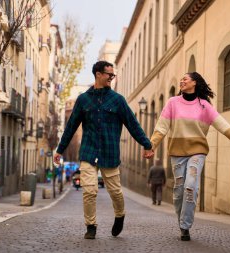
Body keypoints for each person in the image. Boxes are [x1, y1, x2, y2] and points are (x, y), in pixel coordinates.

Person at [53, 61, 154, 240]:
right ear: (98, 74)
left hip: (110, 153)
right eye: (109, 75)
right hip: (88, 152)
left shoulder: (118, 100)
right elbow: (71, 126)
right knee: (89, 190)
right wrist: (60, 150)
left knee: (115, 191)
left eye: (113, 75)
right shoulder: (83, 99)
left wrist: (146, 144)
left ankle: (120, 214)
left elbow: (133, 124)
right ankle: (91, 225)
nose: (111, 78)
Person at [146, 72, 230, 241]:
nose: (182, 81)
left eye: (185, 79)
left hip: (197, 152)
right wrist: (151, 146)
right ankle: (182, 223)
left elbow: (222, 125)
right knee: (179, 191)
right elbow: (161, 127)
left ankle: (186, 226)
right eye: (181, 79)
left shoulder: (204, 106)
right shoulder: (173, 103)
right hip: (177, 154)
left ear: (194, 82)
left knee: (191, 186)